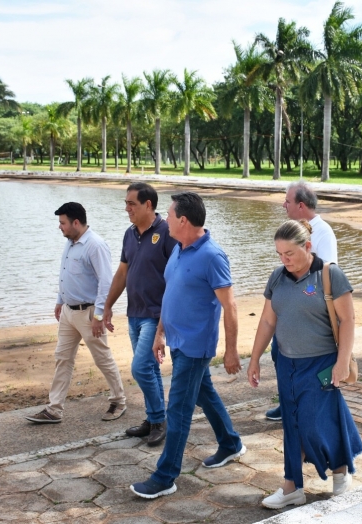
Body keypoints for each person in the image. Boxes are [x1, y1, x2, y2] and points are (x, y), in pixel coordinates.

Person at [130, 192, 246, 499]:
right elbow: (171, 295)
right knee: (204, 395)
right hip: (176, 340)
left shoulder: (213, 256)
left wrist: (231, 351)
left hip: (196, 346)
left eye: (168, 215)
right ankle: (231, 443)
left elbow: (230, 306)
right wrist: (159, 334)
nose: (164, 220)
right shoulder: (179, 250)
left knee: (178, 409)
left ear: (183, 220)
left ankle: (165, 476)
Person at [247, 220, 362, 509]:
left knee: (315, 422)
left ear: (307, 247)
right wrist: (255, 358)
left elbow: (347, 320)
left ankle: (340, 471)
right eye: (279, 254)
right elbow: (267, 321)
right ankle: (292, 487)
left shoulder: (329, 275)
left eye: (290, 254)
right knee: (292, 424)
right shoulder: (277, 278)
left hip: (322, 362)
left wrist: (342, 362)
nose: (284, 260)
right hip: (286, 363)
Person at [26, 202, 126, 424]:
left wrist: (99, 315)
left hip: (89, 314)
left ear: (76, 222)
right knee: (62, 358)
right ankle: (54, 409)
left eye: (62, 223)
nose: (59, 227)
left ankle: (119, 400)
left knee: (102, 358)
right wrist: (60, 301)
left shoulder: (95, 245)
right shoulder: (71, 242)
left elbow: (106, 282)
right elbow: (66, 274)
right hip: (68, 313)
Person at [103, 183, 176, 446]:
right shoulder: (129, 234)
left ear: (148, 205)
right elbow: (122, 272)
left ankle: (159, 420)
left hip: (155, 315)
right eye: (125, 203)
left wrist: (166, 321)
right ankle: (154, 418)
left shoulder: (167, 232)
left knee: (141, 367)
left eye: (131, 203)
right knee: (150, 369)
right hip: (133, 313)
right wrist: (108, 305)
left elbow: (177, 276)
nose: (126, 208)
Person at [266, 181, 338, 422]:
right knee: (281, 355)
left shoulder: (323, 231)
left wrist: (302, 293)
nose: (284, 205)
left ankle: (312, 406)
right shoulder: (292, 230)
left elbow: (327, 271)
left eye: (287, 201)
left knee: (312, 366)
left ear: (301, 205)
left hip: (310, 314)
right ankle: (288, 401)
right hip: (289, 312)